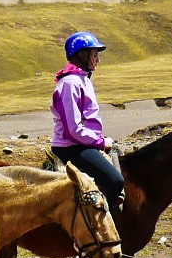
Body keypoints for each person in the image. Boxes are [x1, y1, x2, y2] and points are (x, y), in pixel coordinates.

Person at [50, 31, 125, 218]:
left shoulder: (82, 79)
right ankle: (91, 223)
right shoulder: (70, 84)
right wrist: (100, 142)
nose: (98, 59)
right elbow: (72, 129)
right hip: (71, 146)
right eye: (94, 54)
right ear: (82, 54)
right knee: (115, 181)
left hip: (82, 142)